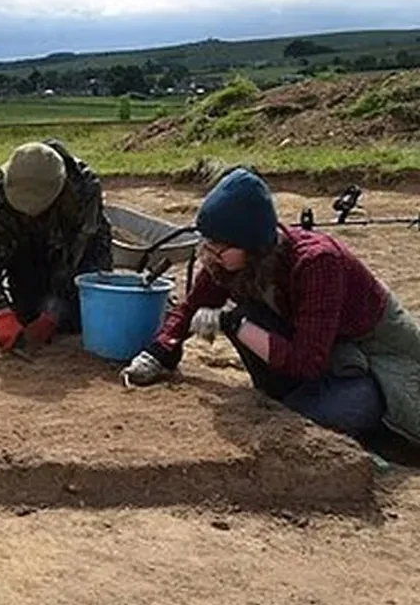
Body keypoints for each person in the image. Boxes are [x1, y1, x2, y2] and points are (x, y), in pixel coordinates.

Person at [121, 168, 420, 443]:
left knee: (328, 414)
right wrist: (159, 351)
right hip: (326, 351)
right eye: (207, 242)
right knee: (278, 384)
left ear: (252, 244)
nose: (209, 253)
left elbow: (307, 362)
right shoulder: (231, 257)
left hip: (377, 355)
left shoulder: (317, 262)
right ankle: (290, 398)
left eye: (218, 246)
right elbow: (193, 305)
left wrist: (236, 324)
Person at [0, 140, 112, 354]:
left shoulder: (83, 189)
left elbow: (78, 254)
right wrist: (1, 312)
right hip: (28, 253)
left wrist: (53, 313)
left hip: (76, 256)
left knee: (76, 322)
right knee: (27, 314)